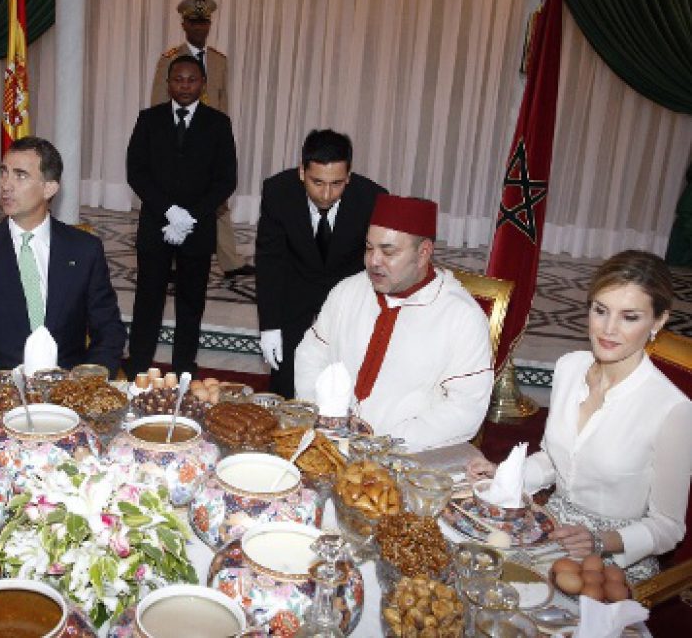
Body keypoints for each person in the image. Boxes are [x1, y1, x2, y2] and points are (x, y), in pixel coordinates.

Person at [467, 251, 692, 582]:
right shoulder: (569, 366)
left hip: (617, 557)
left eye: (629, 317)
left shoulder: (672, 409)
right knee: (474, 568)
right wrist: (505, 475)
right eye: (600, 311)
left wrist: (601, 541)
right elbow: (553, 461)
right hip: (552, 524)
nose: (608, 329)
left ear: (658, 321)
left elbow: (668, 527)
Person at [293, 194, 493, 451]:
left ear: (423, 254)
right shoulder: (347, 291)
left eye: (388, 252)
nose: (374, 261)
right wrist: (327, 416)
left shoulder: (461, 317)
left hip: (408, 459)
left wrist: (388, 442)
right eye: (368, 248)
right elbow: (310, 356)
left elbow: (465, 408)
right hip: (329, 443)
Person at [0, 137, 126, 385]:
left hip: (68, 393)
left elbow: (110, 331)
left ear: (49, 188)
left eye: (20, 176)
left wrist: (84, 385)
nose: (6, 185)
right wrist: (2, 387)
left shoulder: (84, 250)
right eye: (4, 173)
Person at [125, 55, 238, 377]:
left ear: (202, 84)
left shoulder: (218, 123)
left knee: (191, 302)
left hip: (197, 230)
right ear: (168, 83)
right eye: (178, 79)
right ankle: (138, 365)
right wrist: (169, 211)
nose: (184, 86)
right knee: (149, 298)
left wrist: (189, 217)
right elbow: (137, 172)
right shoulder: (149, 119)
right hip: (155, 226)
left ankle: (184, 367)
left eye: (191, 80)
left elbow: (226, 179)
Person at [256, 129, 387, 398]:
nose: (326, 194)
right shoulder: (278, 192)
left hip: (348, 292)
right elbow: (270, 262)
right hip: (296, 287)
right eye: (317, 182)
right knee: (286, 379)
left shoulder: (372, 198)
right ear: (302, 172)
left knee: (345, 381)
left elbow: (377, 264)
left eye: (337, 183)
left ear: (349, 176)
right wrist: (269, 325)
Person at [149, 0, 253, 280]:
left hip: (209, 142)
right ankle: (170, 260)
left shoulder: (219, 61)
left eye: (204, 22)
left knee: (217, 201)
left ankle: (230, 261)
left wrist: (223, 141)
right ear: (184, 25)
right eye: (194, 23)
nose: (199, 28)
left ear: (209, 25)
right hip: (179, 141)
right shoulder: (169, 60)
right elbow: (159, 103)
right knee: (173, 198)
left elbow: (223, 103)